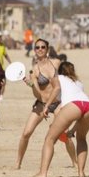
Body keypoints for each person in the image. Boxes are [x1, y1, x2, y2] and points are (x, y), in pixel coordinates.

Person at [33, 61, 89, 177]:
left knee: (50, 139)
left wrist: (46, 106)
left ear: (59, 71)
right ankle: (81, 173)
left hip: (73, 106)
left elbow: (56, 89)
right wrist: (72, 130)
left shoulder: (58, 77)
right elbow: (79, 112)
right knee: (81, 138)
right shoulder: (79, 83)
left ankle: (43, 173)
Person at [15, 38, 61, 169]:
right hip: (41, 104)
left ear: (47, 49)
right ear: (34, 50)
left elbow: (58, 84)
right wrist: (31, 84)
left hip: (57, 103)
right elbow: (36, 92)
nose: (40, 49)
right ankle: (18, 162)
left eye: (42, 47)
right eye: (37, 47)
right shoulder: (34, 69)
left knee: (64, 134)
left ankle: (75, 162)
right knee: (26, 133)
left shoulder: (55, 63)